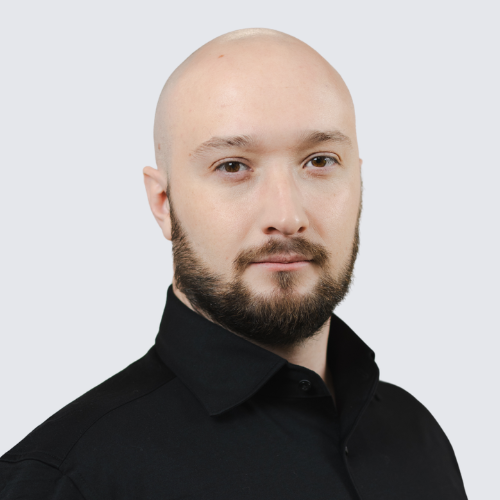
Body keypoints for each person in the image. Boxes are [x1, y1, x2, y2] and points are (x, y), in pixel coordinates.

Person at [0, 28, 468, 500]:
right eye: (232, 166)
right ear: (163, 203)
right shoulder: (65, 481)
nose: (287, 216)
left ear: (358, 182)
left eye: (320, 161)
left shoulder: (416, 434)